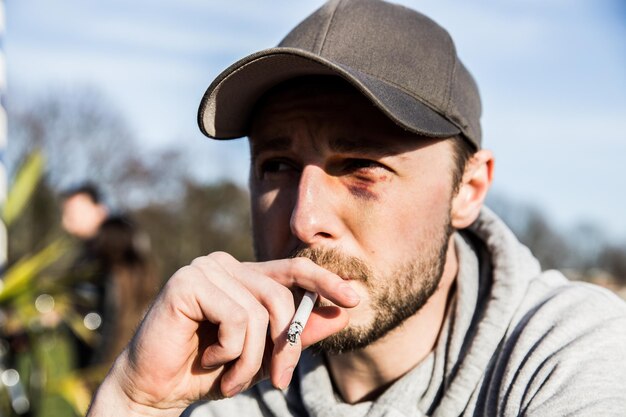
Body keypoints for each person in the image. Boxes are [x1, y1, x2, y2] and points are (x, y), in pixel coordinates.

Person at [87, 1, 626, 416]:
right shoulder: (217, 384)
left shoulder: (570, 353)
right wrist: (138, 402)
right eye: (276, 166)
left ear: (469, 189)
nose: (304, 219)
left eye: (362, 166)